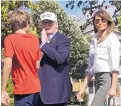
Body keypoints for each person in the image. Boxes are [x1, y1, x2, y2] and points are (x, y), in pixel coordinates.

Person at [77, 10, 120, 106]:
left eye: (103, 20)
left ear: (108, 21)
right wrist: (82, 88)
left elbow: (115, 64)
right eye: (97, 20)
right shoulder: (94, 39)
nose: (100, 22)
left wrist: (113, 87)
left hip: (107, 78)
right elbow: (90, 68)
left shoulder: (112, 38)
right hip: (97, 79)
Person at [1, 10, 42, 106]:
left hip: (22, 89)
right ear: (27, 24)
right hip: (36, 88)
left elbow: (8, 64)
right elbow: (37, 64)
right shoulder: (35, 39)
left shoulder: (9, 39)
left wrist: (3, 90)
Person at [36, 12, 72, 106]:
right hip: (39, 93)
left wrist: (44, 44)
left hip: (56, 93)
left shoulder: (62, 39)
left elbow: (60, 58)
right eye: (44, 22)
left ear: (56, 25)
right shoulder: (37, 41)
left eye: (50, 22)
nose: (47, 25)